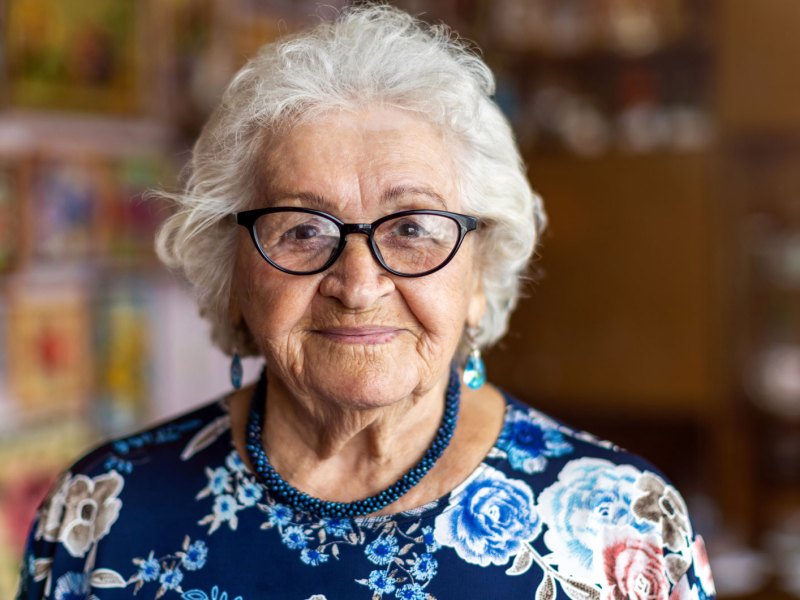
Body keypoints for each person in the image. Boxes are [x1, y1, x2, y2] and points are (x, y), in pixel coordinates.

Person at [17, 6, 715, 599]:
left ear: (479, 277)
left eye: (412, 228)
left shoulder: (622, 526)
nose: (358, 283)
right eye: (301, 230)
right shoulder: (104, 510)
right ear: (234, 275)